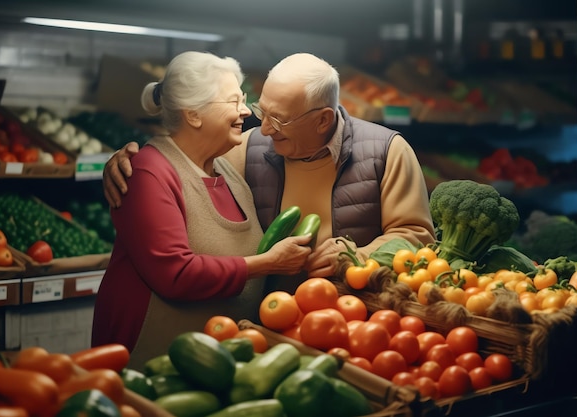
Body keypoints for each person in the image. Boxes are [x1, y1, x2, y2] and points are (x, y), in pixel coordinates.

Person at [103, 52, 435, 294]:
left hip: (354, 319)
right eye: (262, 110)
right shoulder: (247, 147)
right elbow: (186, 163)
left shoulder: (387, 151)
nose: (263, 128)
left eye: (279, 120)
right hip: (270, 320)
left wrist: (355, 256)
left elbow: (416, 236)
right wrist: (128, 160)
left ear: (322, 119)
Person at [92, 51, 312, 369]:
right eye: (233, 101)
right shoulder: (148, 171)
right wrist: (267, 263)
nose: (244, 112)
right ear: (193, 114)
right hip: (152, 364)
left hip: (215, 366)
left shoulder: (229, 168)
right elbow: (176, 274)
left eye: (244, 99)